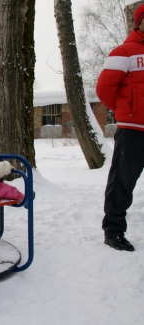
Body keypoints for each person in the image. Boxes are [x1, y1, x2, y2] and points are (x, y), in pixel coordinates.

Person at [96, 4, 144, 252]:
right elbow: (104, 90)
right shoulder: (124, 51)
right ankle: (113, 231)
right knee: (123, 183)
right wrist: (127, 110)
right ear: (139, 23)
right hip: (133, 130)